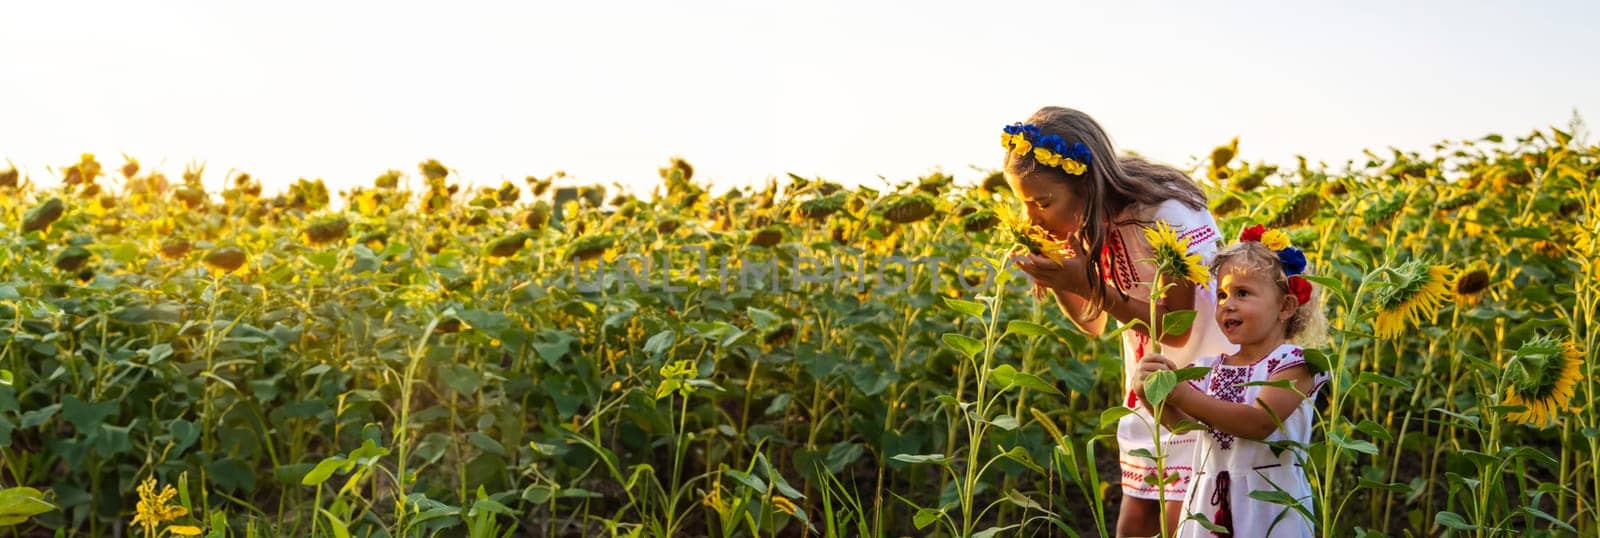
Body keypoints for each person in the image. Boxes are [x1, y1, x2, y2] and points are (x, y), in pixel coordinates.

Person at [1006, 106, 1236, 537]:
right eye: (1024, 204)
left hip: (1202, 388)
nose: (1032, 218)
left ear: (1086, 185)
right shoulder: (1093, 221)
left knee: (1182, 522)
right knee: (1133, 521)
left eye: (1042, 203)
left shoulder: (1164, 215)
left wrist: (1088, 284)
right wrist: (1059, 275)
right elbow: (1092, 323)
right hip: (1149, 388)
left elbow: (1178, 326)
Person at [1134, 224, 1329, 537]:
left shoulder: (1296, 363)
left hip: (1269, 503)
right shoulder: (1209, 367)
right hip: (1209, 502)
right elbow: (1186, 427)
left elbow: (1258, 423)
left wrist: (1182, 395)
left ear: (1285, 306)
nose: (1227, 303)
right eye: (1222, 294)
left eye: (1243, 293)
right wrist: (1152, 395)